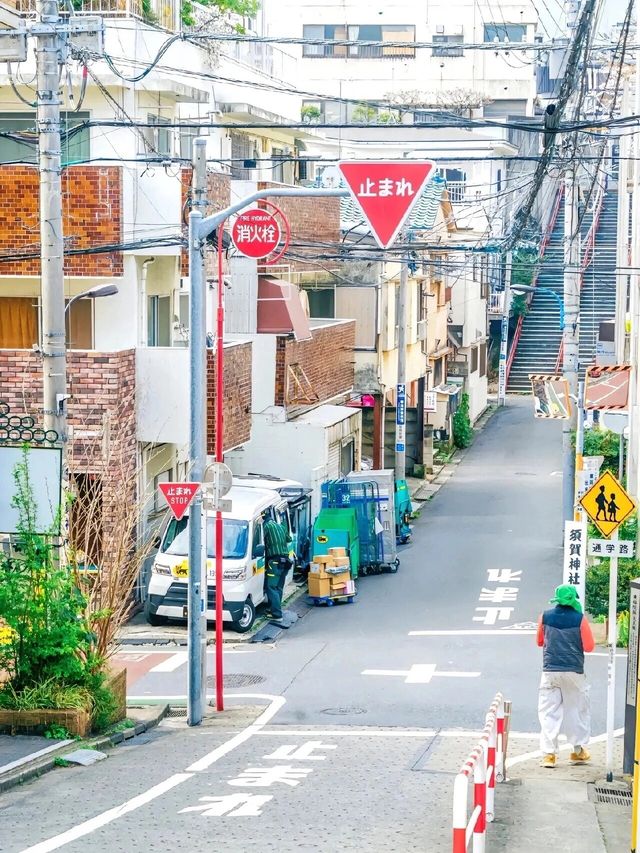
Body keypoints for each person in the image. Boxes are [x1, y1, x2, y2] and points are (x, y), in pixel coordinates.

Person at [537, 584, 595, 768]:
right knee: (575, 710)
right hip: (574, 671)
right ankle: (577, 751)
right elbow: (589, 646)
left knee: (548, 711)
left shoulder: (544, 616)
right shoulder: (580, 619)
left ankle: (549, 755)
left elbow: (539, 641)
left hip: (550, 671)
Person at [263, 512, 292, 621]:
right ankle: (275, 609)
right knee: (279, 587)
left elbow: (261, 541)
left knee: (271, 587)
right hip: (286, 562)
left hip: (275, 561)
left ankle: (277, 614)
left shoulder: (266, 526)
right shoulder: (281, 527)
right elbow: (289, 539)